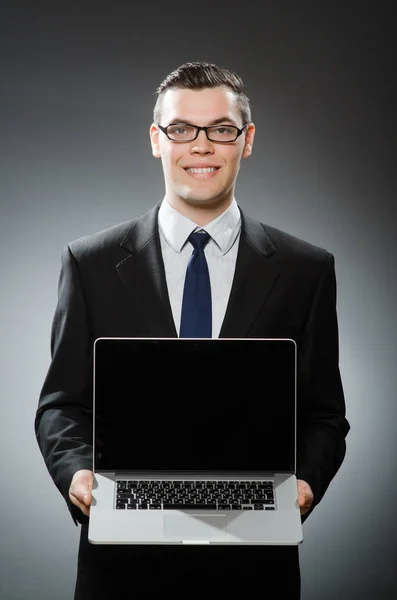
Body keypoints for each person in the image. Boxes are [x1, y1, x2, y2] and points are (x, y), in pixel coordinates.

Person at [34, 61, 350, 598]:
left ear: (245, 141)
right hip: (122, 566)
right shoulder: (87, 263)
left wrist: (304, 483)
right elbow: (61, 404)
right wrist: (77, 474)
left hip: (255, 565)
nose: (200, 145)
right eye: (181, 129)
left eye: (220, 129)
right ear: (157, 140)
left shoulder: (307, 269)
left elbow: (323, 414)